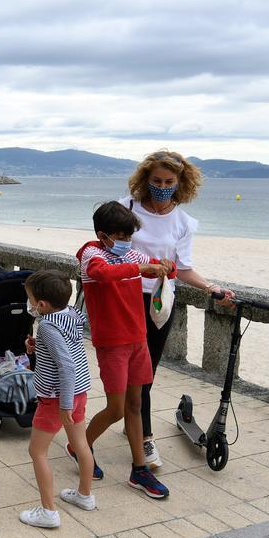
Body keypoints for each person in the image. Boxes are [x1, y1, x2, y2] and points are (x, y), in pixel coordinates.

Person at [120, 151, 235, 469]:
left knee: (146, 373)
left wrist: (211, 287)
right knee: (127, 372)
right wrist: (148, 266)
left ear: (180, 183)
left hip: (160, 302)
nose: (161, 186)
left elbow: (183, 269)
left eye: (169, 182)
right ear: (145, 179)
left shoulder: (183, 222)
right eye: (156, 181)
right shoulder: (126, 209)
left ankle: (137, 427)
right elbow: (111, 252)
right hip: (126, 299)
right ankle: (143, 437)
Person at [72, 201, 178, 499]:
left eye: (129, 236)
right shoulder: (91, 254)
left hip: (138, 340)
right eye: (121, 236)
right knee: (116, 409)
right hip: (112, 344)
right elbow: (104, 274)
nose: (126, 242)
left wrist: (165, 268)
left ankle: (139, 469)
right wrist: (144, 267)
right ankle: (79, 446)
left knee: (134, 405)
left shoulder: (131, 254)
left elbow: (155, 269)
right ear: (103, 234)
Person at [19, 270, 96, 529]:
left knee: (37, 451)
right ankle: (85, 496)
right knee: (81, 445)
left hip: (56, 398)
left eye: (31, 300)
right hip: (80, 392)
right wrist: (37, 345)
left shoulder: (48, 326)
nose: (29, 304)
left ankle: (48, 512)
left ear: (41, 305)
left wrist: (63, 404)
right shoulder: (72, 314)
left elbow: (66, 365)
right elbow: (67, 347)